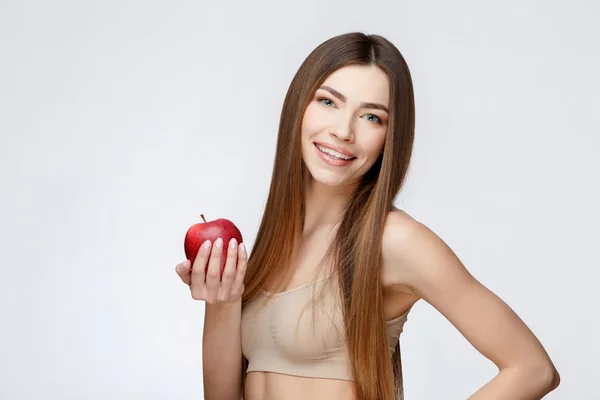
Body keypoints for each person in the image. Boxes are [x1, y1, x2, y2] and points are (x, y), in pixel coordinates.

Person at [175, 32, 560, 400]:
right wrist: (222, 302)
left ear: (390, 138)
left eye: (372, 117)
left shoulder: (394, 240)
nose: (343, 131)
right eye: (328, 102)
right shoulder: (277, 242)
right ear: (299, 107)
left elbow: (532, 368)